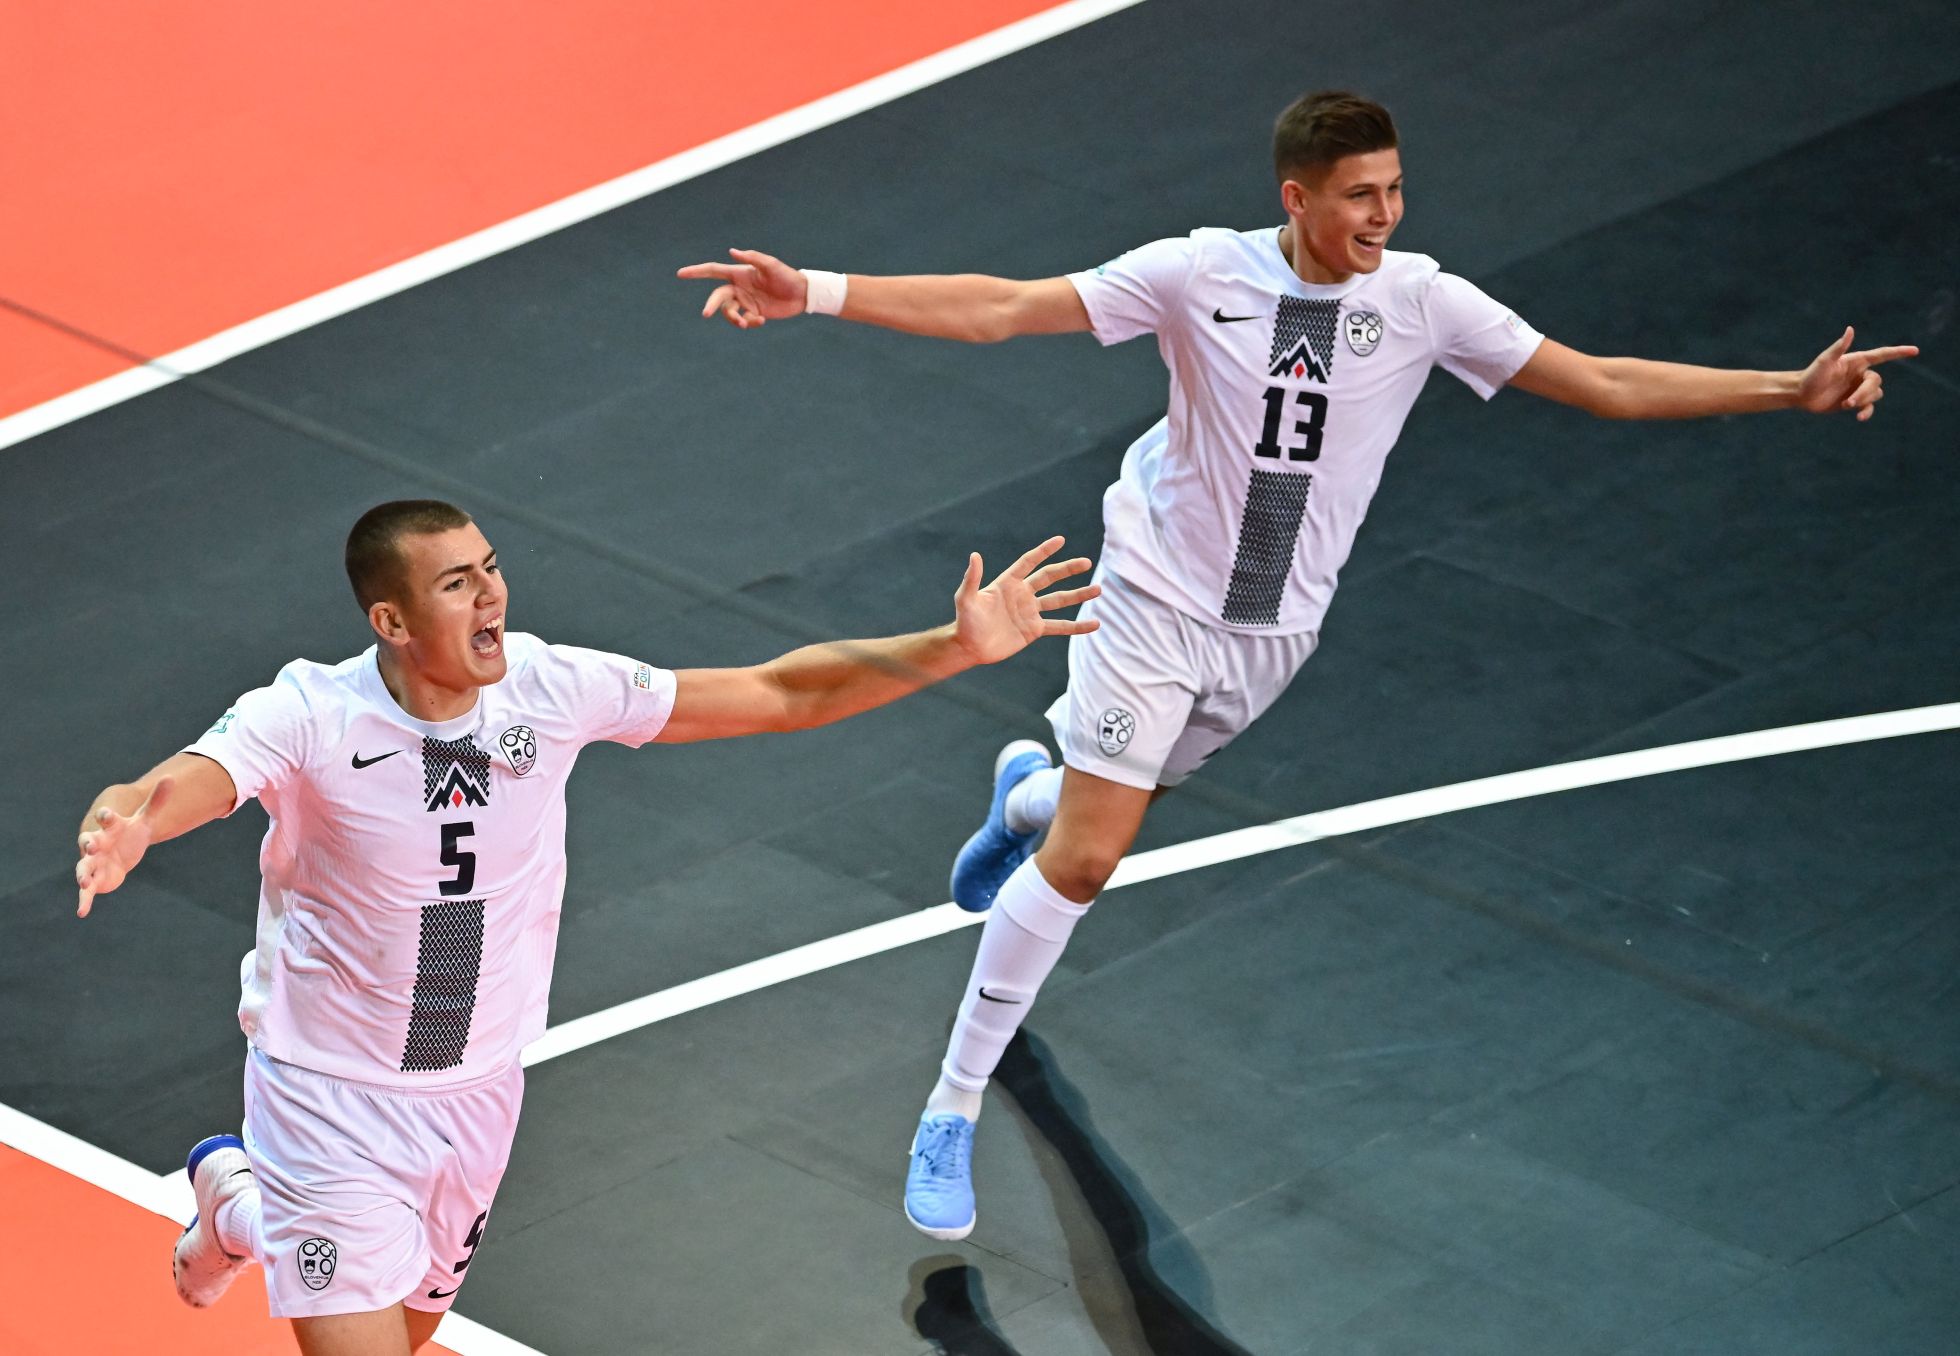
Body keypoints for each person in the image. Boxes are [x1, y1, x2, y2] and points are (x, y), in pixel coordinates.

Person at [677, 88, 1918, 1242]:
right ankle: (951, 1104)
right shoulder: (1197, 275)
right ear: (1297, 197)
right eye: (1360, 194)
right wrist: (815, 290)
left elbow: (1598, 382)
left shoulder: (1423, 301)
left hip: (1272, 629)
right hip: (1151, 600)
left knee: (1118, 801)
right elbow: (1002, 307)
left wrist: (1785, 389)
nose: (1385, 214)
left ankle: (1021, 800)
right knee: (1095, 859)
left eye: (1394, 190)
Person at [72, 499, 1095, 1356]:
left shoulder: (546, 688)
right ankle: (273, 1197)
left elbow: (777, 692)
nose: (492, 595)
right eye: (456, 584)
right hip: (328, 1097)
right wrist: (128, 826)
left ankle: (238, 1206)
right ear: (391, 619)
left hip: (477, 1090)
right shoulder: (311, 715)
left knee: (410, 1325)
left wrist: (956, 646)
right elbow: (180, 783)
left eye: (490, 568)